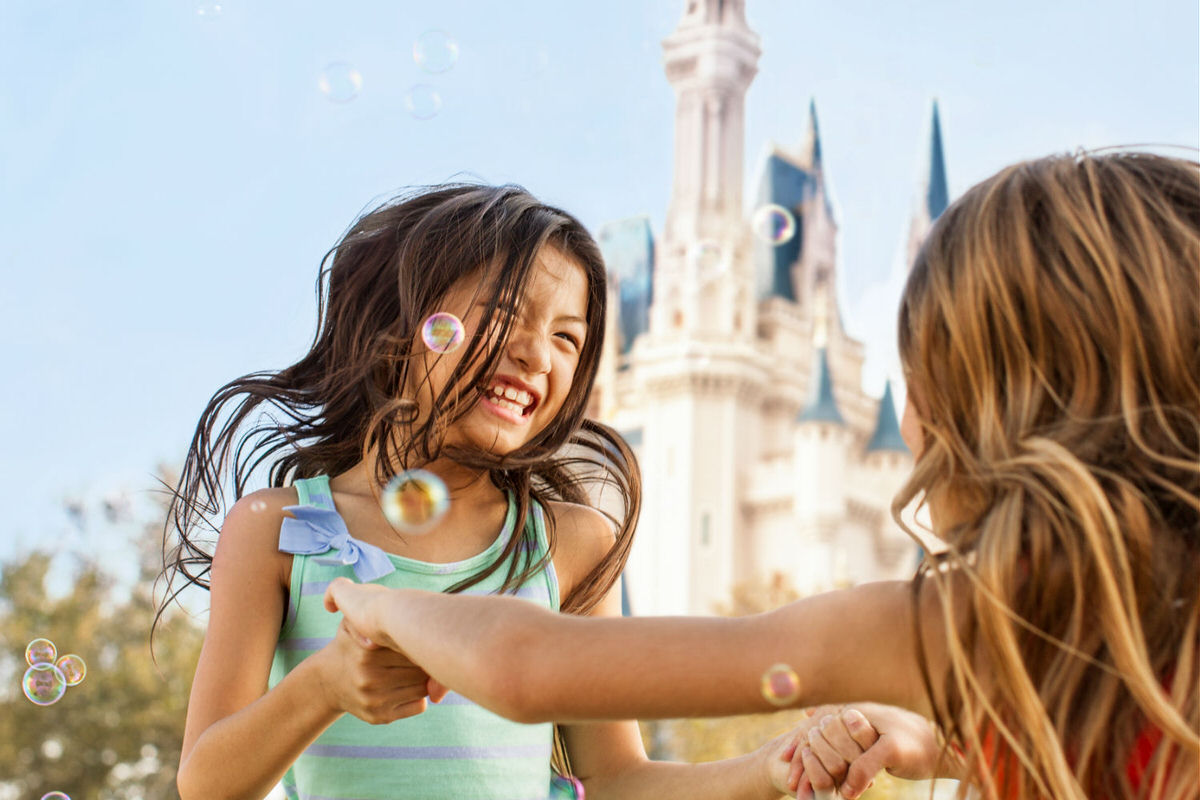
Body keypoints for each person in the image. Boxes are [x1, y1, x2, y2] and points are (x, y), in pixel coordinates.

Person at [322, 152, 1200, 800]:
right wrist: (924, 739)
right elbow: (1105, 728)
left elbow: (529, 667)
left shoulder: (963, 624)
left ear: (995, 414)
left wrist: (387, 605)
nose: (906, 424)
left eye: (922, 377)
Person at [160, 183, 819, 800]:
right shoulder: (277, 529)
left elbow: (619, 779)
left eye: (567, 337)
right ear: (401, 326)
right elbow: (206, 782)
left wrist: (770, 769)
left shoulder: (569, 542)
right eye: (506, 316)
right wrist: (324, 686)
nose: (539, 355)